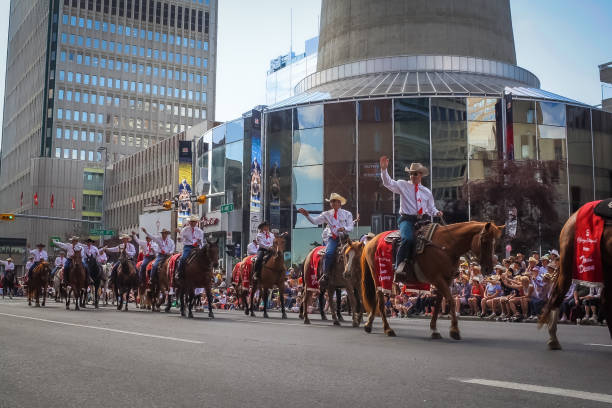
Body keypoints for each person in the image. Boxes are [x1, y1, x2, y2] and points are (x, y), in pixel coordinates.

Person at [379, 156, 442, 282]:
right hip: (406, 220)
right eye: (411, 174)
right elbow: (388, 183)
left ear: (421, 175)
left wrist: (437, 212)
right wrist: (384, 170)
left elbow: (431, 208)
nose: (413, 176)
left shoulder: (426, 192)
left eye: (416, 174)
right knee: (407, 239)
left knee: (436, 239)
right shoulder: (403, 185)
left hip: (423, 221)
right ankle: (399, 267)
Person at [298, 193, 354, 287]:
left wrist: (344, 228)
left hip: (345, 238)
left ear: (340, 203)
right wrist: (307, 215)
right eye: (331, 201)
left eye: (335, 201)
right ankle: (325, 274)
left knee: (355, 251)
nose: (333, 203)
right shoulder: (327, 214)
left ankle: (359, 272)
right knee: (329, 253)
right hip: (333, 238)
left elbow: (351, 227)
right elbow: (315, 221)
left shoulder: (347, 214)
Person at [177, 215, 204, 280]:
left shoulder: (200, 231)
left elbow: (201, 242)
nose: (192, 223)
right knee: (183, 258)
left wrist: (200, 243)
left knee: (205, 258)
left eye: (194, 222)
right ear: (189, 222)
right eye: (191, 222)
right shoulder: (185, 230)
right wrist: (179, 238)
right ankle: (179, 273)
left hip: (197, 247)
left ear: (196, 222)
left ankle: (206, 274)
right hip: (188, 247)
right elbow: (181, 240)